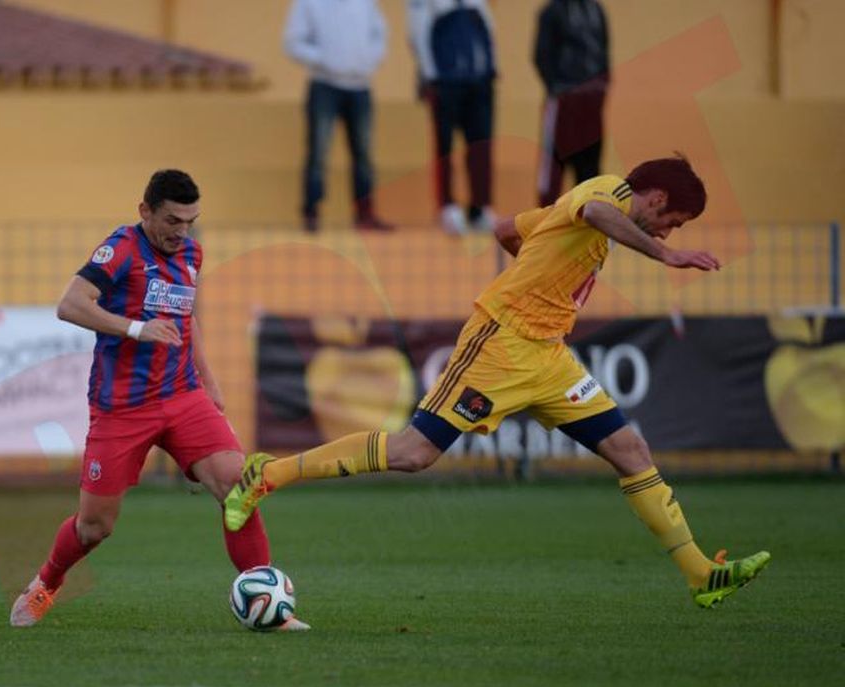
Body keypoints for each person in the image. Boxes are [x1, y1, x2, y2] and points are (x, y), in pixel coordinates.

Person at [224, 155, 770, 610]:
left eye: (674, 232)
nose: (669, 231)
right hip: (500, 344)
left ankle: (700, 574)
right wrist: (665, 254)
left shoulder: (571, 213)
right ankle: (266, 473)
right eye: (672, 220)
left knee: (629, 448)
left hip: (550, 357)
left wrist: (537, 264)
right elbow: (601, 211)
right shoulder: (606, 193)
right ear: (652, 199)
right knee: (414, 453)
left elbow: (507, 228)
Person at [10, 170, 308, 630]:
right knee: (95, 527)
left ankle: (265, 603)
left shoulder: (191, 251)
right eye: (172, 220)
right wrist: (135, 328)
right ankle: (47, 582)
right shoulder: (121, 249)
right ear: (145, 211)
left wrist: (208, 380)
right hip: (121, 407)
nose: (181, 231)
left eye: (190, 221)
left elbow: (184, 320)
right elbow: (69, 304)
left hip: (182, 395)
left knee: (240, 487)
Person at [284, 0, 393, 233]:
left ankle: (365, 213)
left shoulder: (366, 3)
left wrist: (368, 60)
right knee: (318, 152)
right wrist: (325, 59)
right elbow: (293, 42)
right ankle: (311, 212)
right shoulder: (308, 4)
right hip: (324, 85)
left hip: (360, 86)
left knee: (363, 153)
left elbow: (380, 34)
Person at [407, 0, 498, 235]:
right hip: (445, 82)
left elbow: (488, 26)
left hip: (478, 81)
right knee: (445, 147)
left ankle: (481, 206)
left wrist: (491, 68)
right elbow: (418, 33)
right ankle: (447, 206)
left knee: (481, 146)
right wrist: (430, 76)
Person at [534, 0, 610, 207]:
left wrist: (601, 87)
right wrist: (558, 89)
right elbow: (542, 56)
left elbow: (603, 51)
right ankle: (546, 221)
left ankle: (588, 221)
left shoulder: (595, 10)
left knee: (590, 165)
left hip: (592, 102)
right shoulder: (552, 11)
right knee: (554, 166)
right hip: (563, 101)